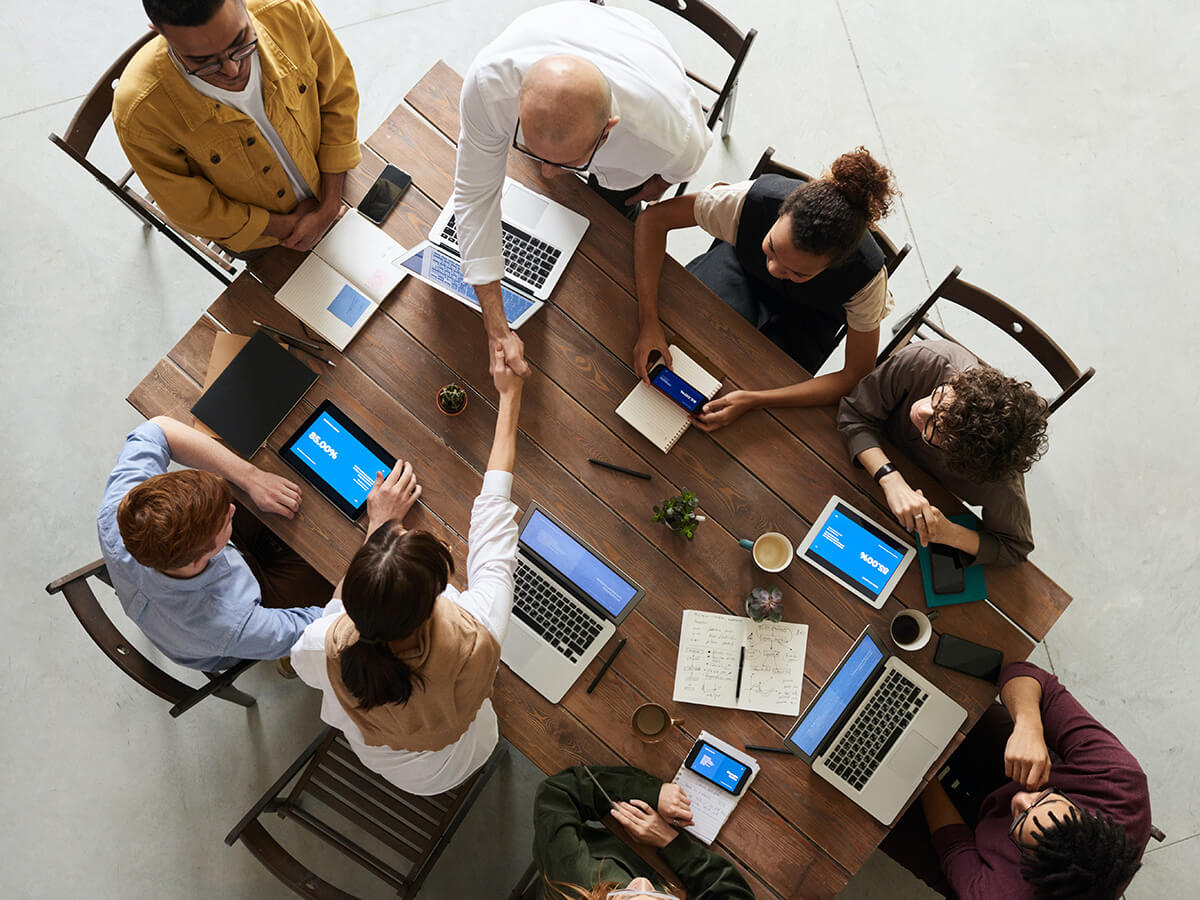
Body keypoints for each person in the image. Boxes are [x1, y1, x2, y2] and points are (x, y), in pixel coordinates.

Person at [291, 345, 526, 794]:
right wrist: (511, 396)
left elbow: (324, 633)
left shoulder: (326, 643)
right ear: (433, 601)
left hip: (397, 769)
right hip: (462, 753)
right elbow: (495, 518)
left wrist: (377, 526)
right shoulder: (478, 631)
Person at [454, 1, 712, 379]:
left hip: (640, 58)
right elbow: (475, 196)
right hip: (567, 27)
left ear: (609, 129)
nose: (547, 174)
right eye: (531, 150)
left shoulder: (670, 138)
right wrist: (496, 324)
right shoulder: (487, 85)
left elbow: (678, 170)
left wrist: (655, 186)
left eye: (566, 162)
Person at [633, 147, 898, 431]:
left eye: (797, 271)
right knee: (683, 336)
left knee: (756, 399)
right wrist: (648, 321)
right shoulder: (749, 201)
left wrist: (754, 400)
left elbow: (856, 373)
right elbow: (653, 220)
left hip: (810, 319)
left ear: (835, 265)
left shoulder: (866, 279)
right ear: (780, 214)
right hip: (740, 271)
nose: (774, 269)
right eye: (772, 248)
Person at [880, 662, 1150, 898]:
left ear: (1027, 863)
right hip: (1019, 770)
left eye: (1020, 818)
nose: (1020, 798)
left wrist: (922, 769)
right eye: (1044, 797)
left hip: (973, 854)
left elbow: (954, 844)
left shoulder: (1002, 894)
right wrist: (1028, 725)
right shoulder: (1118, 780)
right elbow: (1023, 673)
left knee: (879, 809)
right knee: (952, 696)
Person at [114, 0, 360, 255]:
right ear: (159, 31)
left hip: (335, 179)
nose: (232, 70)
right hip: (265, 240)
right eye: (204, 62)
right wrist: (288, 228)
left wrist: (329, 205)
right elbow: (190, 208)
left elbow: (339, 94)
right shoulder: (139, 112)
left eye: (241, 42)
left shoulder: (286, 9)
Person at [97, 416, 330, 672]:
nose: (232, 509)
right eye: (226, 519)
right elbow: (325, 629)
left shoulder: (125, 509)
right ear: (199, 559)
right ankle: (288, 663)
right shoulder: (228, 624)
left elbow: (158, 428)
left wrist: (251, 477)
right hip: (234, 627)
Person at [837, 340, 1049, 566]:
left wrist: (948, 532)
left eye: (936, 429)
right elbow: (854, 414)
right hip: (857, 465)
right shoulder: (927, 360)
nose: (922, 410)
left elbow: (1015, 548)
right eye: (939, 399)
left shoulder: (998, 479)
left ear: (962, 459)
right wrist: (891, 480)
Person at [533, 765, 753, 900]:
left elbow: (556, 795)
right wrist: (670, 841)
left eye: (623, 898)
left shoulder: (572, 878)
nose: (642, 882)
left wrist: (650, 792)